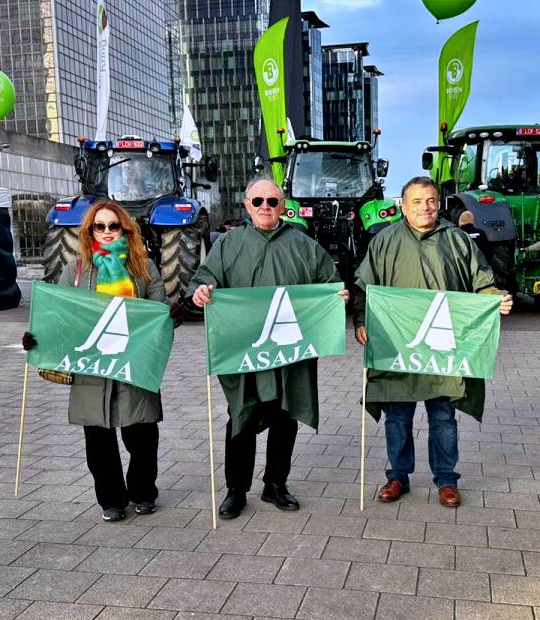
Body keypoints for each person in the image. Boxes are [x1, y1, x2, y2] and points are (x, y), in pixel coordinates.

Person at [187, 176, 346, 520]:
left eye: (272, 202)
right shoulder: (229, 243)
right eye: (257, 201)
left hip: (290, 351)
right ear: (247, 205)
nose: (265, 208)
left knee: (285, 415)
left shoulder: (303, 245)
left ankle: (276, 484)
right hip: (244, 349)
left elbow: (329, 281)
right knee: (240, 416)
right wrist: (201, 291)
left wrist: (337, 295)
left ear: (283, 206)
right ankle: (235, 489)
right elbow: (204, 278)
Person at [354, 176, 513, 508]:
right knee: (398, 415)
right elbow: (364, 288)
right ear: (402, 205)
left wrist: (494, 298)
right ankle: (398, 476)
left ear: (438, 203)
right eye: (416, 201)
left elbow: (481, 281)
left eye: (430, 200)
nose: (425, 207)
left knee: (442, 415)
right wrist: (360, 320)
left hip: (444, 347)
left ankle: (446, 479)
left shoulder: (457, 240)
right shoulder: (384, 241)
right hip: (399, 346)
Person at [22, 200, 166, 522]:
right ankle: (112, 500)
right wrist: (37, 338)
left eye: (112, 226)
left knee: (141, 435)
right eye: (98, 227)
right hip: (92, 367)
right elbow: (59, 317)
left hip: (132, 362)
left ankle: (143, 491)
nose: (106, 232)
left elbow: (159, 313)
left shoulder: (144, 268)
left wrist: (171, 316)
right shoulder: (76, 270)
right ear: (89, 232)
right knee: (99, 442)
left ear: (124, 230)